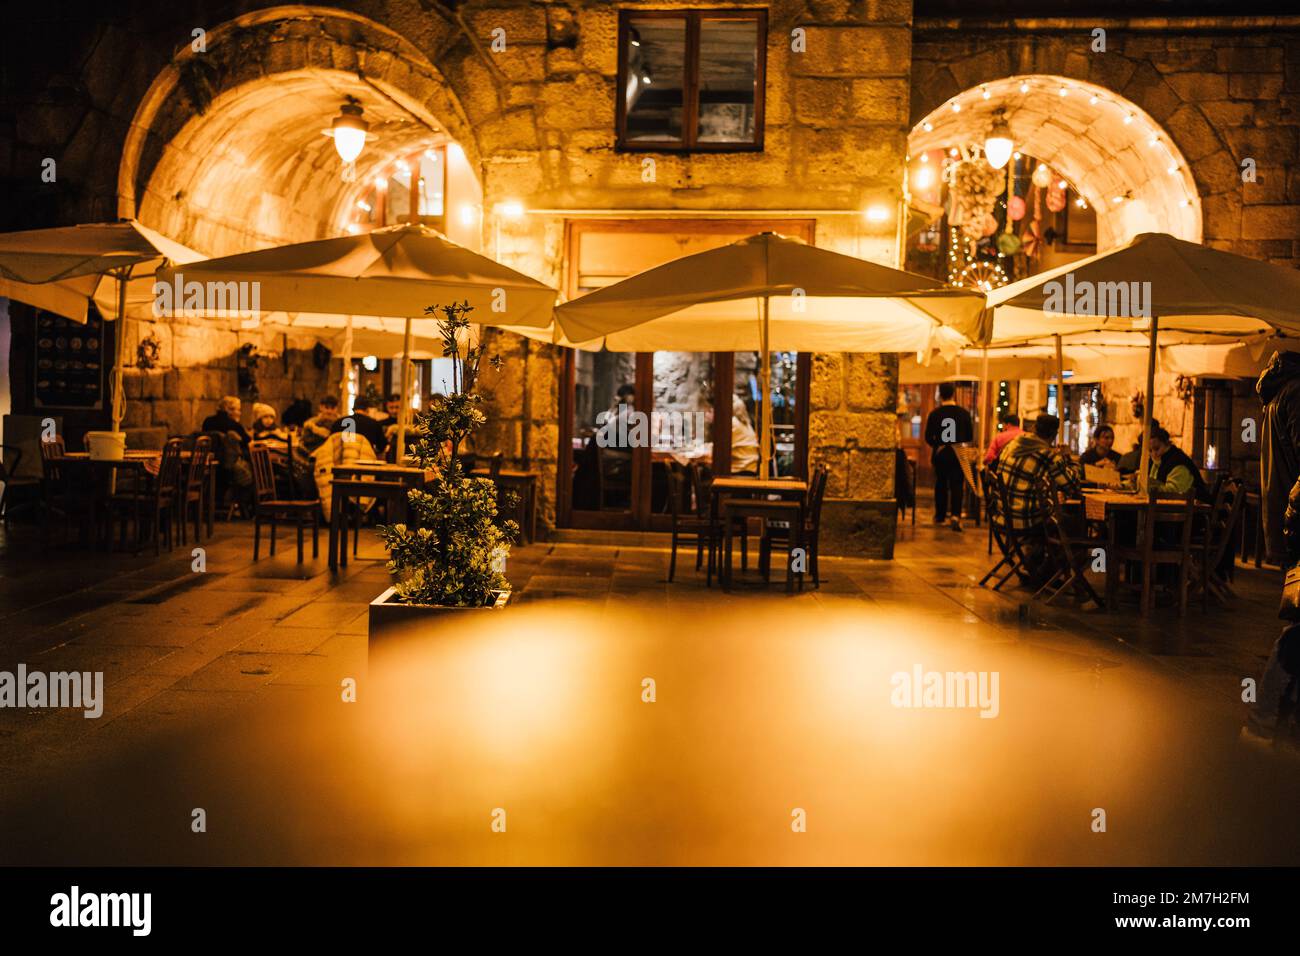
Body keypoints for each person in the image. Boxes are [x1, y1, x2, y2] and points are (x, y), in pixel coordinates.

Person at [1246, 351, 1300, 744]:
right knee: (1299, 628)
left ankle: (1272, 719)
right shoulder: (1296, 394)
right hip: (1296, 522)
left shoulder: (1281, 392)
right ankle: (1264, 718)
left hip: (1289, 521)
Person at [996, 413, 1081, 533]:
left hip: (1004, 516)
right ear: (1054, 434)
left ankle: (1040, 551)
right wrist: (1068, 458)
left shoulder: (1013, 445)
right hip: (1026, 521)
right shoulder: (1047, 456)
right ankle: (1064, 551)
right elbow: (1073, 486)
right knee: (1075, 521)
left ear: (1034, 428)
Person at [924, 381, 974, 530]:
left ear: (940, 395)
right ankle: (955, 515)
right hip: (958, 453)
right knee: (957, 484)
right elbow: (969, 436)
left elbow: (928, 437)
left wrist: (937, 444)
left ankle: (940, 516)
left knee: (941, 484)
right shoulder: (964, 413)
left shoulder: (935, 414)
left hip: (940, 453)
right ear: (953, 394)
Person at [1147, 427, 1209, 500]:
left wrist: (1149, 487)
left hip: (1196, 507)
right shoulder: (1157, 461)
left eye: (1157, 448)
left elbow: (1174, 492)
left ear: (1167, 444)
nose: (1154, 454)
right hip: (1171, 506)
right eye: (1150, 450)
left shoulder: (1178, 461)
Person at [730, 394, 760, 476]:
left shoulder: (733, 422)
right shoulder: (747, 424)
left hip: (739, 469)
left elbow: (722, 447)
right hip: (751, 468)